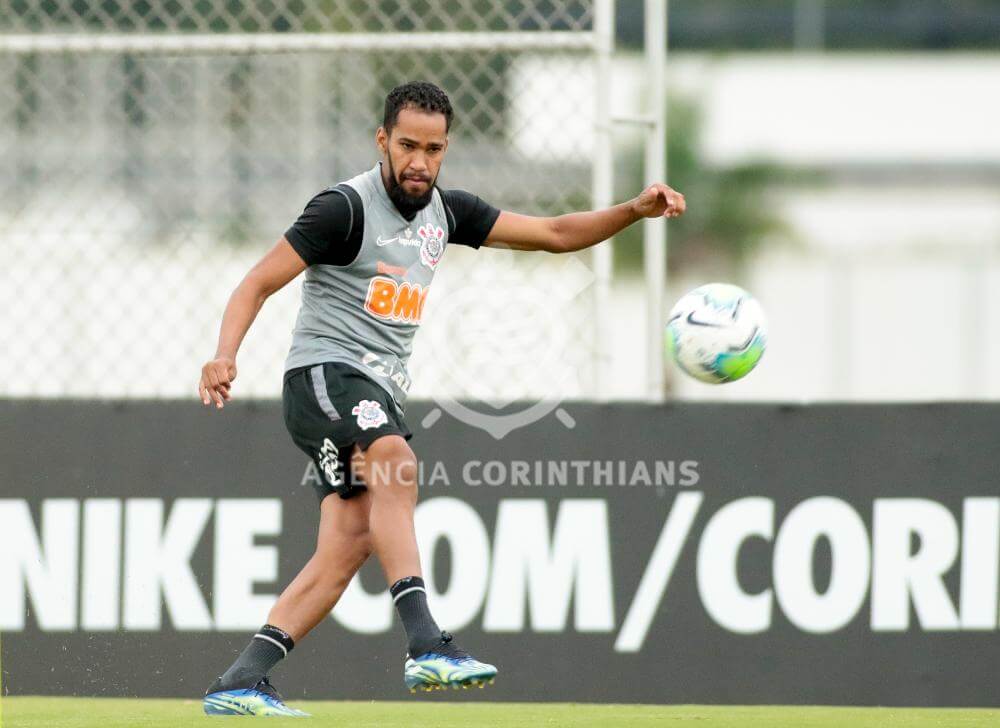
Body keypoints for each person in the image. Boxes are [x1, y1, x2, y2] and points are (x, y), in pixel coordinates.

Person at [198, 80, 685, 717]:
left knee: (347, 543)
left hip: (374, 389)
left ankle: (241, 679)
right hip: (324, 376)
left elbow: (558, 233)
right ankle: (427, 641)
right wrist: (225, 353)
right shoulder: (343, 209)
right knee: (395, 461)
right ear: (382, 140)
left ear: (446, 148)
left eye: (433, 149)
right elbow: (256, 282)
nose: (419, 162)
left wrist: (632, 210)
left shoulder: (445, 213)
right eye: (407, 146)